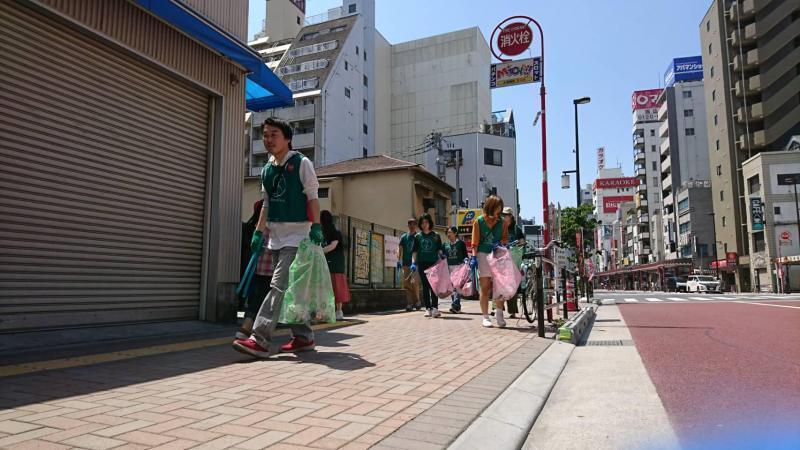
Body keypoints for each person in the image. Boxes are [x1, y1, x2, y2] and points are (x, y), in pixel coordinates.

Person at [232, 117, 324, 358]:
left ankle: (260, 339)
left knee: (278, 286)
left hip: (298, 237)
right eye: (265, 135)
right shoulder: (267, 170)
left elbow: (313, 196)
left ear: (287, 138)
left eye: (274, 134)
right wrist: (258, 232)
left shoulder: (301, 163)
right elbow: (266, 204)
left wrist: (316, 225)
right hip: (275, 238)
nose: (268, 139)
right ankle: (303, 337)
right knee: (289, 289)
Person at [236, 200, 274, 339]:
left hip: (258, 265)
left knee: (256, 296)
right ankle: (254, 329)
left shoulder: (257, 225)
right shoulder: (280, 221)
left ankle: (247, 324)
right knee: (264, 298)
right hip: (269, 265)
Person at [470, 195, 509, 328]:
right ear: (491, 207)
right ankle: (485, 317)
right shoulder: (478, 221)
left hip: (498, 254)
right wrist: (473, 258)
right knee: (485, 287)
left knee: (500, 286)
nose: (499, 211)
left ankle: (499, 313)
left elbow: (505, 239)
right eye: (498, 208)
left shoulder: (502, 222)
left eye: (500, 208)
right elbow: (474, 243)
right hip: (483, 255)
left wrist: (501, 242)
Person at [411, 213, 445, 318]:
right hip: (422, 263)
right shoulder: (417, 237)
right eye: (422, 223)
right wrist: (413, 263)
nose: (424, 224)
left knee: (434, 286)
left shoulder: (436, 236)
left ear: (430, 223)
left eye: (426, 222)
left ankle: (435, 308)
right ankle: (427, 309)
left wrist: (442, 256)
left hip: (434, 264)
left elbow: (439, 250)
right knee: (425, 286)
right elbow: (414, 252)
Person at [321, 210, 349, 321]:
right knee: (328, 288)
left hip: (336, 264)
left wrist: (319, 251)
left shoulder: (335, 233)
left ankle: (339, 311)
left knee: (337, 288)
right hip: (326, 263)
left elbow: (333, 246)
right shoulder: (322, 232)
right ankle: (329, 311)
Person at [502, 207, 525, 319]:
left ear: (510, 216)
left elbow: (522, 243)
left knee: (511, 285)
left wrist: (515, 245)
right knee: (500, 283)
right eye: (502, 215)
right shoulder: (499, 228)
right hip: (501, 260)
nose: (503, 217)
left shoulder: (517, 229)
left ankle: (512, 311)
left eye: (505, 215)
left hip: (513, 260)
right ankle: (498, 308)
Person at [397, 219, 422, 311]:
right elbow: (400, 249)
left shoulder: (418, 236)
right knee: (406, 284)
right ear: (408, 225)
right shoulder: (404, 237)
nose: (412, 226)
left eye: (414, 224)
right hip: (405, 263)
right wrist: (398, 260)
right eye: (410, 224)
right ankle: (409, 303)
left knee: (414, 282)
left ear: (416, 226)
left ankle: (417, 301)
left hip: (415, 264)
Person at [444, 226, 467, 313]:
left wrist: (466, 260)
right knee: (452, 287)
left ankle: (455, 305)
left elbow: (465, 255)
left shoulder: (461, 243)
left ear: (455, 233)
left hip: (458, 267)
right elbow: (442, 254)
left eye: (450, 232)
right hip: (448, 267)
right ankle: (457, 307)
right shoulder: (445, 244)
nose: (448, 234)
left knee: (457, 286)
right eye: (447, 233)